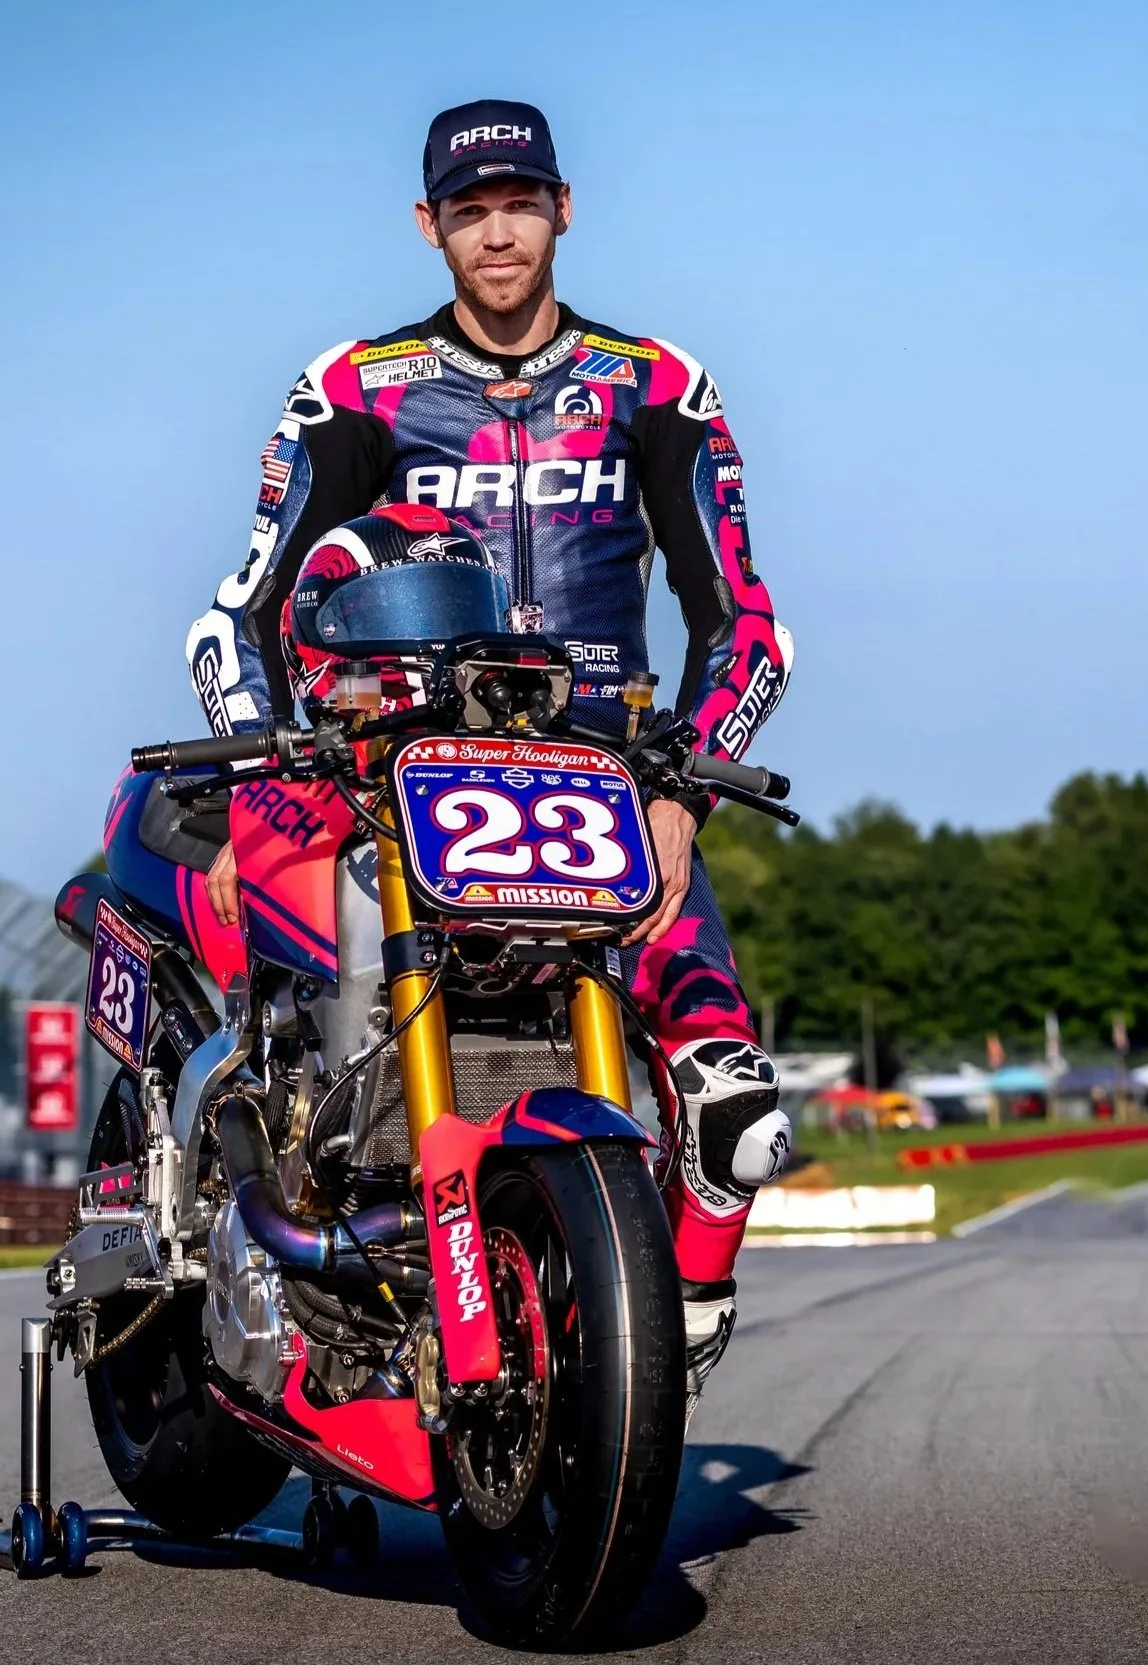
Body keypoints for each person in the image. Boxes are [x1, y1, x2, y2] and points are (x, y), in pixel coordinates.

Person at [184, 99, 795, 1414]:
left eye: (519, 203)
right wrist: (258, 792)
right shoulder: (354, 385)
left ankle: (667, 1320)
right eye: (469, 211)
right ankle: (285, 1255)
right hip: (393, 789)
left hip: (604, 796)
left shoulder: (656, 383)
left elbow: (744, 624)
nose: (497, 232)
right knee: (312, 1049)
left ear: (563, 209)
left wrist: (680, 787)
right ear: (429, 227)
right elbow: (241, 615)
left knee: (741, 1111)